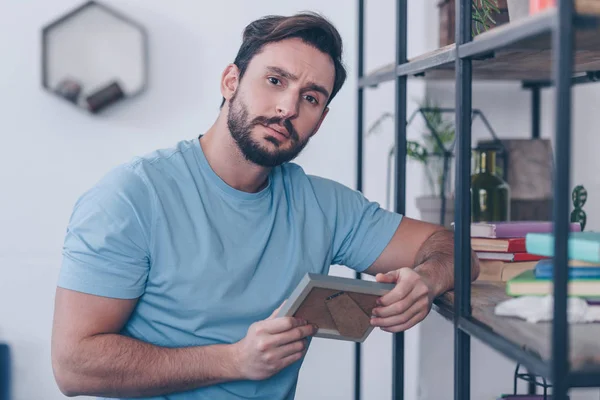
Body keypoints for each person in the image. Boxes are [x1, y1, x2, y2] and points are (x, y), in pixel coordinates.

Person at [51, 11, 479, 400]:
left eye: (311, 98)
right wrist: (234, 361)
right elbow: (73, 366)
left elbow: (456, 249)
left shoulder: (323, 205)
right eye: (275, 81)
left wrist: (427, 279)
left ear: (322, 118)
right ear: (230, 81)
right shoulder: (132, 196)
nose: (287, 108)